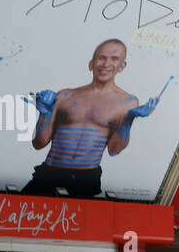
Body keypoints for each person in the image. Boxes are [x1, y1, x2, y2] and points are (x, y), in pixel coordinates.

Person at [24, 39, 159, 198]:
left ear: (122, 67)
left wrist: (130, 118)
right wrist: (44, 113)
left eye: (114, 59)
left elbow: (114, 150)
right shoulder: (65, 95)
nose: (106, 64)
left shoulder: (127, 102)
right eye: (101, 58)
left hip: (85, 179)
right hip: (49, 172)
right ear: (91, 64)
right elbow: (39, 144)